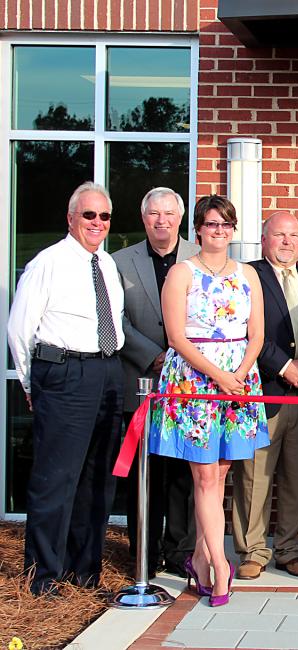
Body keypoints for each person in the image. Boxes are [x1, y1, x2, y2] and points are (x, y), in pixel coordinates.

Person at [148, 195, 269, 607]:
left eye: (226, 225)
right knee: (202, 476)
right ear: (198, 228)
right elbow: (176, 337)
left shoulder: (248, 274)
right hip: (195, 380)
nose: (219, 232)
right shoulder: (181, 273)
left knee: (219, 477)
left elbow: (258, 335)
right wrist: (217, 375)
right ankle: (220, 565)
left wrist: (239, 375)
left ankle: (199, 559)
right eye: (212, 224)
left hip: (239, 381)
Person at [8, 182, 125, 596]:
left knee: (98, 478)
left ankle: (84, 570)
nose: (97, 223)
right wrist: (31, 382)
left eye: (104, 216)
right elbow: (20, 329)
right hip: (64, 374)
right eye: (89, 215)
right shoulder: (48, 263)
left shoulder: (107, 265)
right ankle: (42, 575)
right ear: (71, 217)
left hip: (108, 373)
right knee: (57, 478)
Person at [231, 211, 298, 580]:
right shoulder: (246, 276)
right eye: (279, 235)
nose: (287, 242)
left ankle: (291, 549)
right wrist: (285, 366)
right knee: (253, 479)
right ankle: (252, 551)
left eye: (294, 235)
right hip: (264, 393)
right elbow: (243, 331)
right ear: (264, 239)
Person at [114, 187, 200, 580]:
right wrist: (156, 354)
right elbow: (118, 321)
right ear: (143, 217)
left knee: (183, 473)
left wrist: (185, 355)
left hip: (189, 386)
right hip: (143, 380)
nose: (161, 220)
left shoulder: (201, 260)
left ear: (180, 218)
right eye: (153, 213)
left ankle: (181, 550)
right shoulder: (119, 262)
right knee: (144, 475)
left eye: (168, 213)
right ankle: (144, 552)